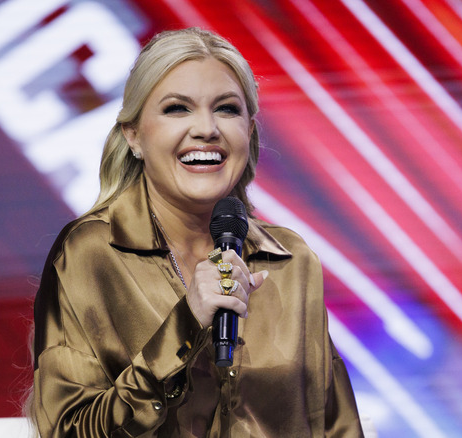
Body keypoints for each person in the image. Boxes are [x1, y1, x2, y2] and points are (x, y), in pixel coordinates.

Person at [30, 27, 364, 437]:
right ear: (132, 135)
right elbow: (68, 431)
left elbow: (337, 428)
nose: (206, 128)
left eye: (226, 109)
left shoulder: (290, 260)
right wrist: (185, 326)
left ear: (250, 131)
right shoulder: (90, 253)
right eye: (177, 109)